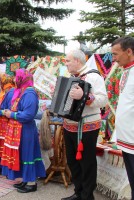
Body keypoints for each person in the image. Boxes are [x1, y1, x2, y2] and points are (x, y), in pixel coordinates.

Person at [61, 50, 108, 200]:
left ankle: (87, 196)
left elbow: (103, 101)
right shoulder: (71, 78)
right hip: (69, 126)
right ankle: (79, 192)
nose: (66, 64)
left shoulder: (93, 76)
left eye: (68, 61)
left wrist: (85, 96)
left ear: (77, 61)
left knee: (86, 162)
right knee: (72, 161)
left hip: (87, 126)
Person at [1, 69, 46, 193]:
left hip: (26, 130)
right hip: (20, 129)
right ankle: (26, 179)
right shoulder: (22, 91)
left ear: (22, 78)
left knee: (28, 155)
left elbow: (28, 115)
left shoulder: (29, 93)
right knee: (22, 154)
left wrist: (12, 114)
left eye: (16, 77)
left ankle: (31, 183)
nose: (14, 80)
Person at [112, 36, 134, 200]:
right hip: (126, 138)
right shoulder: (126, 71)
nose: (113, 58)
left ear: (129, 51)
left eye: (116, 53)